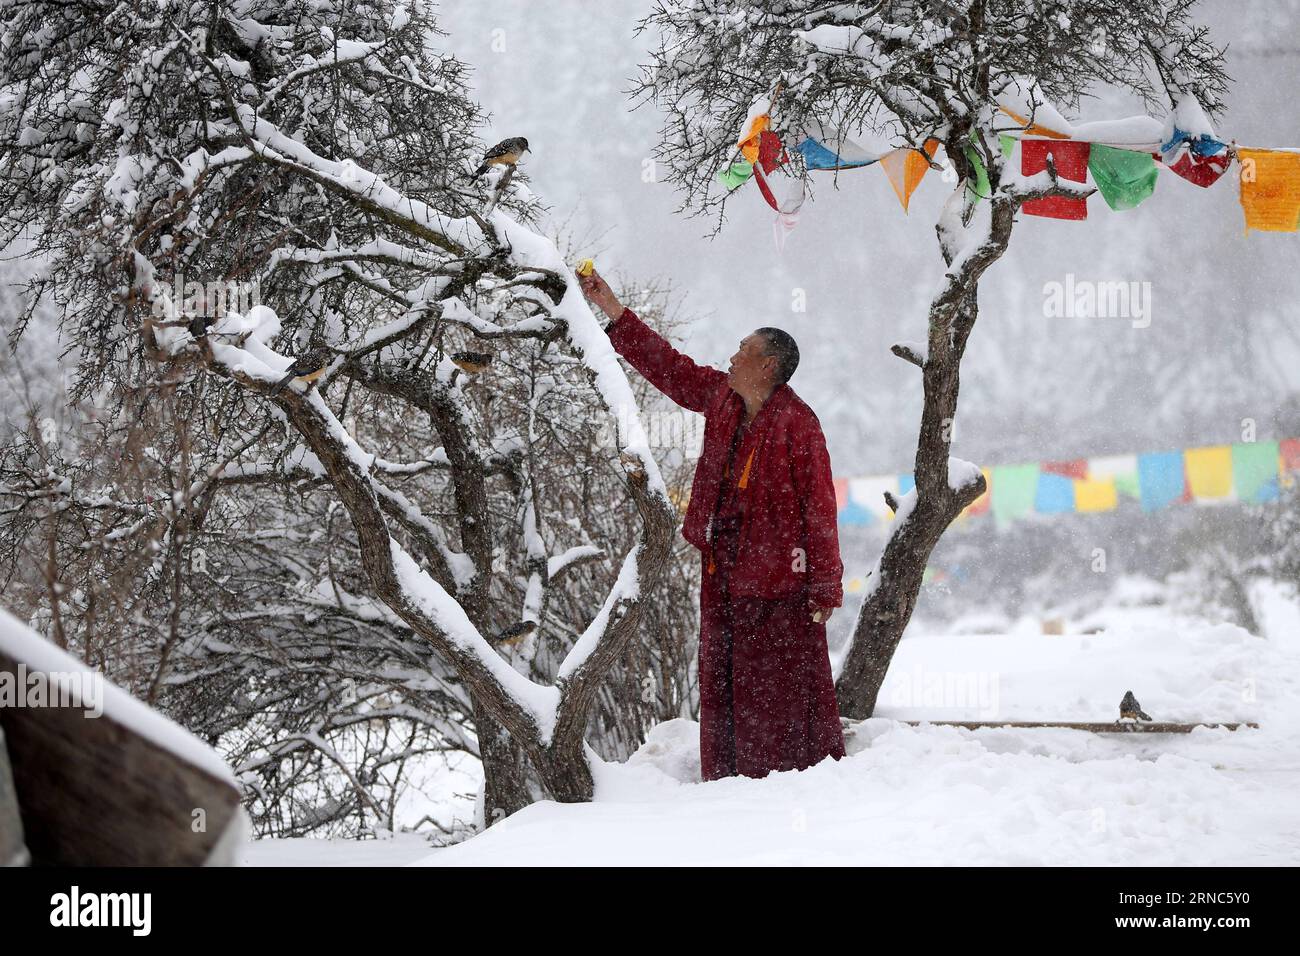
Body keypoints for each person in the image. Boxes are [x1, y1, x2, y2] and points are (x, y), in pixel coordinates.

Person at [579, 268, 846, 781]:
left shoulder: (798, 423)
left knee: (777, 683)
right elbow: (671, 370)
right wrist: (613, 311)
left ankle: (788, 778)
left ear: (768, 365)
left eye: (743, 349)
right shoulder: (723, 399)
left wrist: (825, 585)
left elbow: (819, 506)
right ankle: (729, 776)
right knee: (725, 678)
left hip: (779, 582)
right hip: (723, 570)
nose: (732, 356)